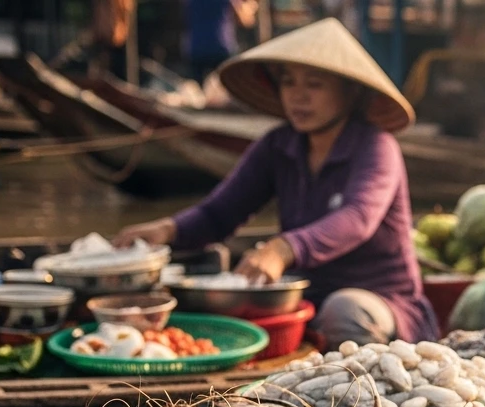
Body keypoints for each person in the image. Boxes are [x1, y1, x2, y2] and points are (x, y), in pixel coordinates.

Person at [113, 18, 438, 346]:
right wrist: (167, 230)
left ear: (350, 92)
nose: (299, 96)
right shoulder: (277, 145)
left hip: (380, 302)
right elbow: (220, 214)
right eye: (288, 82)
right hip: (302, 298)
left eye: (314, 84)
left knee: (345, 312)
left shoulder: (376, 146)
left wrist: (283, 248)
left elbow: (358, 217)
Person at [186, 0, 257, 83]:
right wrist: (251, 7)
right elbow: (245, 21)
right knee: (226, 87)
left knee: (198, 89)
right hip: (221, 48)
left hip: (197, 48)